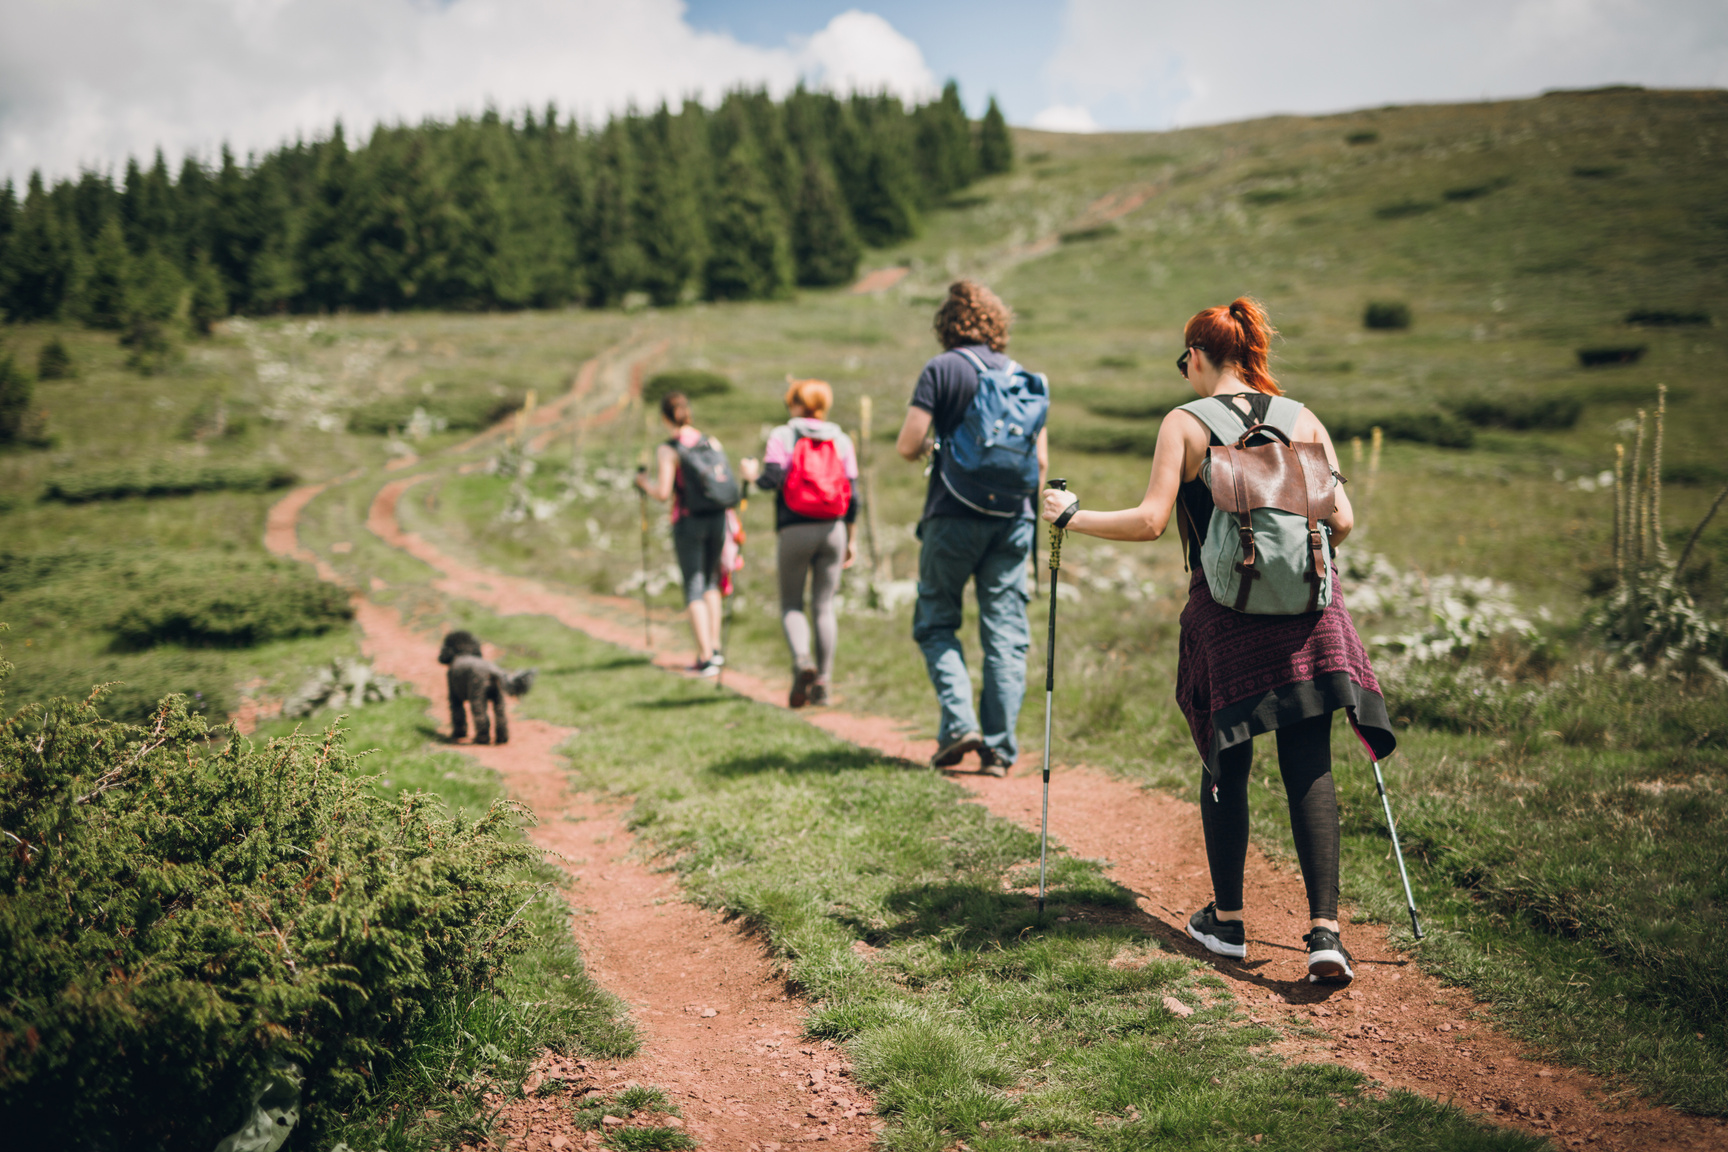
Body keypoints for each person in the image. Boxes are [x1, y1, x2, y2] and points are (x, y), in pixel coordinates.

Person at [1040, 297, 1395, 985]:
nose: (1185, 375)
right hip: (1308, 619)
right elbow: (1343, 519)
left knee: (1227, 755)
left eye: (1185, 363)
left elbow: (1149, 522)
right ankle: (1325, 934)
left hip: (1228, 617)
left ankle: (1227, 922)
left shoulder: (1186, 423)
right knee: (1309, 763)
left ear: (1199, 356)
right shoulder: (1301, 418)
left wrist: (1073, 516)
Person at [895, 280, 1048, 776]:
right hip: (1013, 520)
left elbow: (908, 442)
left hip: (952, 514)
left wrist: (933, 448)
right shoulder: (1024, 377)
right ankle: (1000, 750)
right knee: (1005, 633)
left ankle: (959, 723)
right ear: (996, 324)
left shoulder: (942, 369)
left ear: (947, 324)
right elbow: (1040, 461)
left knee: (937, 620)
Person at [740, 378, 859, 707]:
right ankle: (824, 680)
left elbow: (771, 480)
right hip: (834, 529)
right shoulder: (843, 440)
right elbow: (854, 495)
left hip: (794, 529)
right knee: (824, 606)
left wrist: (751, 474)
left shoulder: (784, 435)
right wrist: (852, 538)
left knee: (792, 604)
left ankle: (803, 661)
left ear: (794, 404)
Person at [636, 391, 736, 676]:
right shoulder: (710, 441)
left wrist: (643, 483)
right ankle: (715, 650)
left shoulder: (669, 449)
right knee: (712, 582)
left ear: (665, 417)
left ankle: (704, 657)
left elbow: (663, 493)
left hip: (689, 520)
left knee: (694, 584)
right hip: (718, 518)